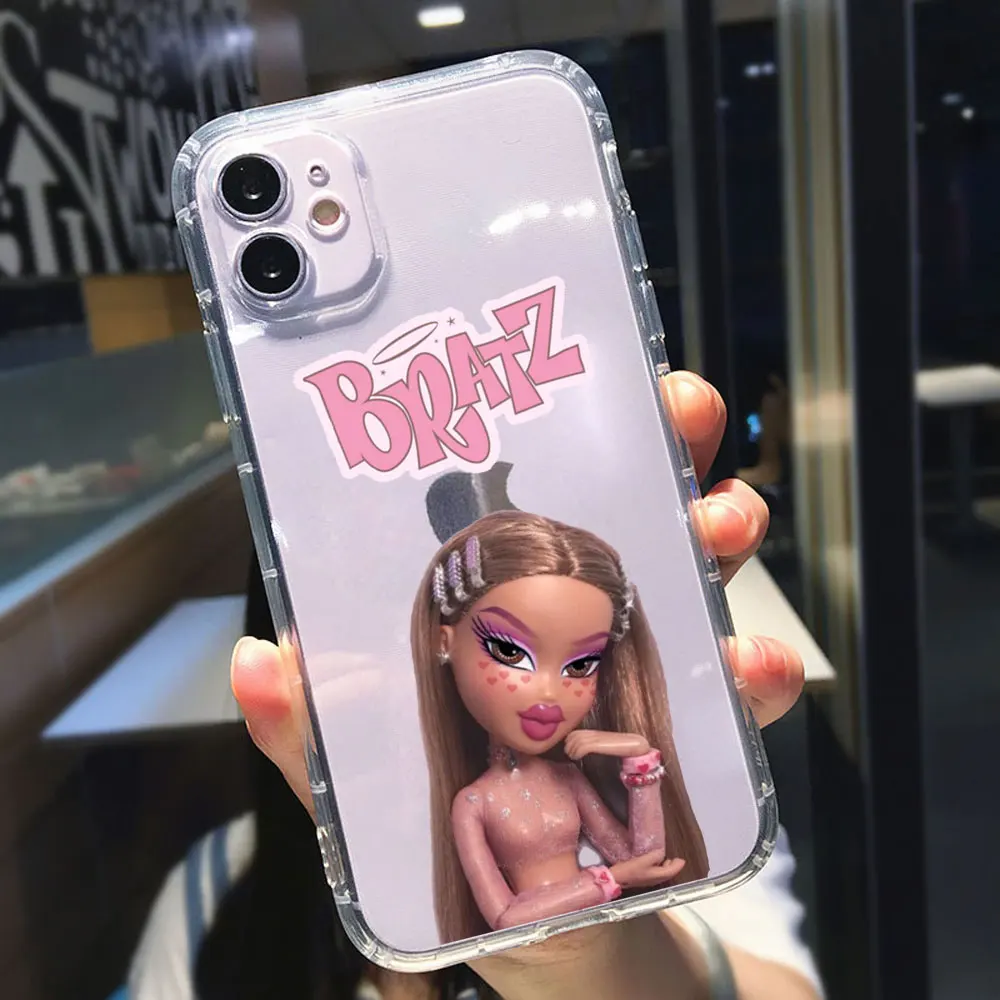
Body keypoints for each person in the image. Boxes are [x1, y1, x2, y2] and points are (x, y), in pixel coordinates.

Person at [122, 371, 822, 1000]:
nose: (542, 690)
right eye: (506, 647)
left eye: (582, 660)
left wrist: (633, 795)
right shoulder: (207, 905)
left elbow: (646, 863)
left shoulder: (697, 809)